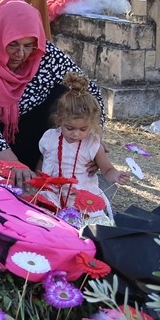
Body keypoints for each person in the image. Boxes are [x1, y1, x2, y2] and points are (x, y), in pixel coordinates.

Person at [0, 0, 103, 189]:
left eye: (28, 46)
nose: (21, 54)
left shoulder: (44, 53)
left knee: (66, 90)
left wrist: (92, 140)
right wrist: (12, 164)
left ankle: (37, 166)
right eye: (13, 45)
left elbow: (89, 89)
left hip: (24, 136)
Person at [35, 72, 125, 216]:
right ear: (59, 120)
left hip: (82, 199)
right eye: (69, 128)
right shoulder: (49, 137)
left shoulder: (92, 144)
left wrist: (116, 176)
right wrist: (36, 181)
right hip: (51, 195)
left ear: (92, 124)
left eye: (83, 129)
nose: (76, 134)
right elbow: (43, 160)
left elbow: (107, 169)